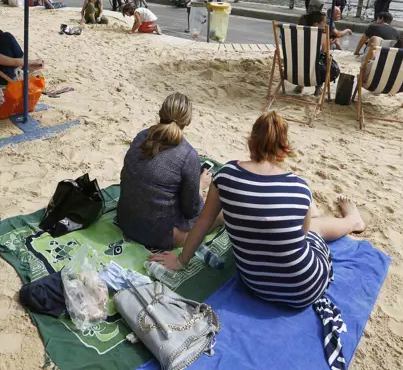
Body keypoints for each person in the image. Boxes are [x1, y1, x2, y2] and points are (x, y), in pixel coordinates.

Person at [148, 111, 365, 358]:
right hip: (306, 287)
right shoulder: (299, 187)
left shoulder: (226, 175)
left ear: (250, 141)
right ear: (283, 149)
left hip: (256, 285)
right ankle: (351, 221)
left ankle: (328, 216)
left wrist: (181, 260)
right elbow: (303, 233)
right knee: (314, 226)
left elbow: (204, 222)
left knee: (299, 222)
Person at [118, 93, 220, 250]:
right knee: (219, 211)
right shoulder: (187, 154)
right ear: (188, 121)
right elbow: (191, 211)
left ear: (161, 113)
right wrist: (199, 187)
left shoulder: (141, 136)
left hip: (125, 219)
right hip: (157, 234)